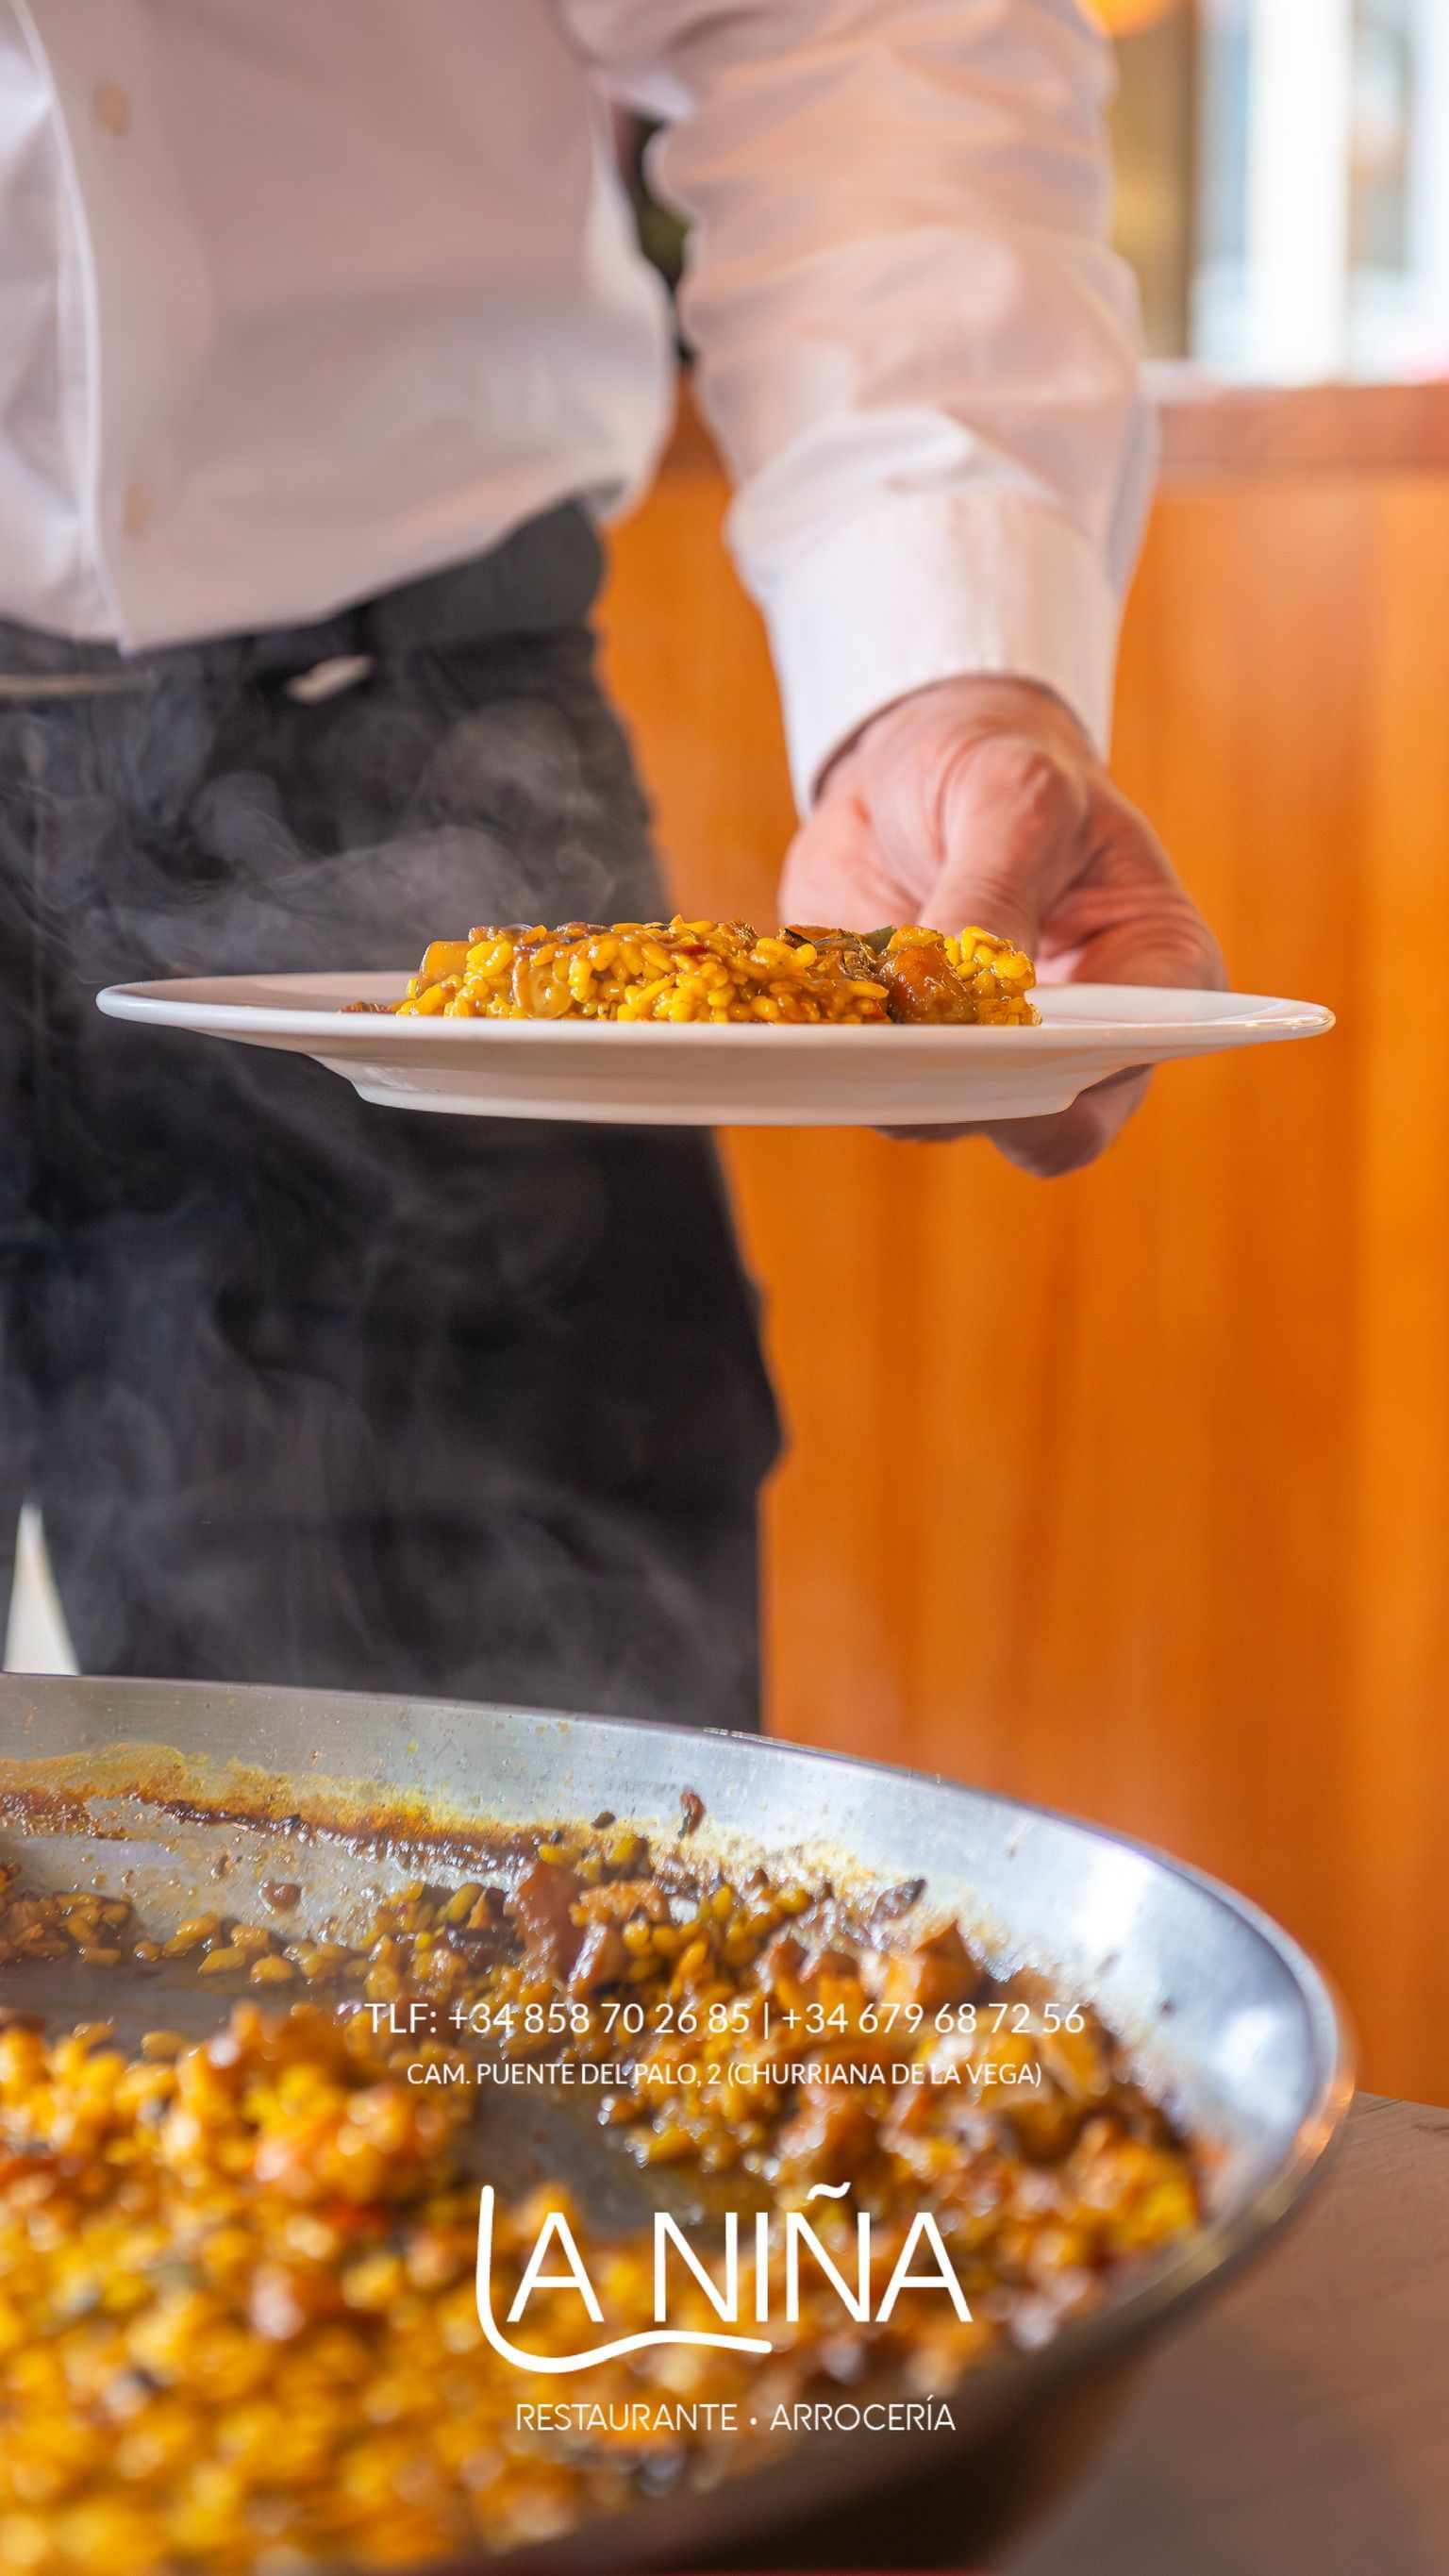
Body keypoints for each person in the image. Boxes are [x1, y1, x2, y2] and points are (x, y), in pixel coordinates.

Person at [0, 2, 1220, 1729]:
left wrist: (943, 666)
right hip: (409, 745)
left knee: (559, 1917)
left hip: (411, 786)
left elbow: (854, 26)